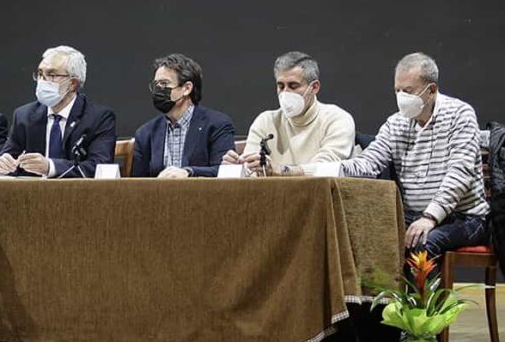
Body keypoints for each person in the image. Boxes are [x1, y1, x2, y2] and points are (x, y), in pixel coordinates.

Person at [341, 52, 489, 256]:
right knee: (363, 238)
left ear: (431, 90)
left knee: (422, 243)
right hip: (413, 215)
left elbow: (460, 174)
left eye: (408, 91)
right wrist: (311, 170)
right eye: (397, 90)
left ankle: (424, 290)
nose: (402, 97)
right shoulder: (396, 122)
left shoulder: (460, 114)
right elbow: (368, 163)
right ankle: (382, 289)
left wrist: (430, 217)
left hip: (464, 216)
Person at [222, 51, 356, 176]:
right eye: (280, 86)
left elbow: (325, 170)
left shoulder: (338, 119)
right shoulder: (265, 121)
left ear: (314, 87)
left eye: (293, 86)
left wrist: (281, 170)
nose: (285, 93)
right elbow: (252, 173)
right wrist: (239, 168)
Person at [0, 45, 116, 178]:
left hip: (79, 195)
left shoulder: (99, 118)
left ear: (73, 84)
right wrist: (1, 165)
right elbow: (3, 158)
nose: (42, 81)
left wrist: (50, 167)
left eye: (51, 75)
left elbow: (99, 167)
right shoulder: (24, 116)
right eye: (40, 74)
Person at [131, 53, 234, 177]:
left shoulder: (217, 125)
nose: (158, 90)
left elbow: (224, 171)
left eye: (164, 84)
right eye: (156, 85)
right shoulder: (145, 133)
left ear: (187, 88)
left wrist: (188, 172)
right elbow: (137, 183)